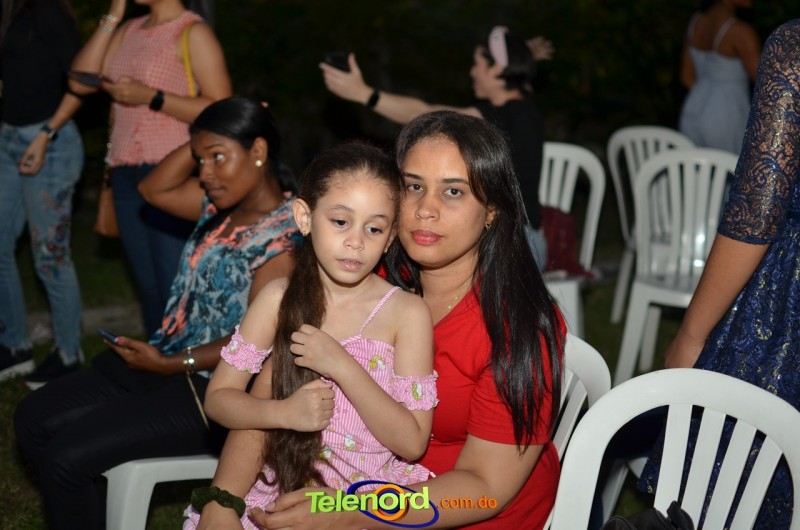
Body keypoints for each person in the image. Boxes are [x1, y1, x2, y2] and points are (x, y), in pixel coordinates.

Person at [198, 111, 565, 530]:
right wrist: (222, 501)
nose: (425, 210)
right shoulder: (361, 282)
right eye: (413, 186)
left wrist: (349, 512)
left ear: (491, 210)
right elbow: (269, 396)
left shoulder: (515, 328)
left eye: (453, 192)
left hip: (457, 511)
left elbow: (485, 491)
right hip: (342, 489)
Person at [13, 96, 302, 530]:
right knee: (32, 419)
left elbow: (254, 339)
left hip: (215, 389)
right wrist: (208, 129)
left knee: (66, 458)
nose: (205, 173)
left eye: (218, 157)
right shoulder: (218, 209)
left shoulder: (285, 238)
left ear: (258, 150)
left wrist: (172, 363)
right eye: (200, 160)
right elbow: (152, 189)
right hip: (166, 362)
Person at [184, 141, 437, 529]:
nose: (356, 241)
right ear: (305, 217)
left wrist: (342, 366)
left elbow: (413, 441)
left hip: (362, 504)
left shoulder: (407, 313)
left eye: (374, 228)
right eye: (340, 222)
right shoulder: (278, 300)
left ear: (389, 239)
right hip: (278, 489)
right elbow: (218, 399)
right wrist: (283, 413)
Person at [640, 19, 800, 529]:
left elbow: (758, 209)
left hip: (701, 114)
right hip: (725, 114)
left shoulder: (791, 44)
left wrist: (692, 334)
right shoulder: (745, 34)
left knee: (736, 487)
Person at [320, 26, 550, 267]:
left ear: (497, 69)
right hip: (532, 239)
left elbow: (425, 114)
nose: (472, 72)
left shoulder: (500, 119)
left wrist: (363, 93)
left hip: (517, 246)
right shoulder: (527, 108)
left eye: (477, 64)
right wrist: (524, 55)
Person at [69, 0, 232, 337]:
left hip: (170, 174)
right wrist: (114, 13)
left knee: (174, 283)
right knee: (147, 284)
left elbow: (221, 108)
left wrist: (152, 97)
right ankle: (157, 359)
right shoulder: (128, 30)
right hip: (124, 172)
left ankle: (190, 360)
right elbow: (80, 81)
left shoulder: (192, 31)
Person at [0, 0, 85, 386]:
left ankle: (69, 353)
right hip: (9, 138)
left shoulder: (47, 9)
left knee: (50, 256)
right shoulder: (10, 10)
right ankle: (15, 345)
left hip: (50, 144)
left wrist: (47, 134)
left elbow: (84, 81)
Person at [677, 0, 760, 154]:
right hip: (726, 116)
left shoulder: (696, 22)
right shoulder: (740, 31)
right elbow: (767, 84)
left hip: (693, 110)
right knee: (730, 167)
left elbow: (686, 77)